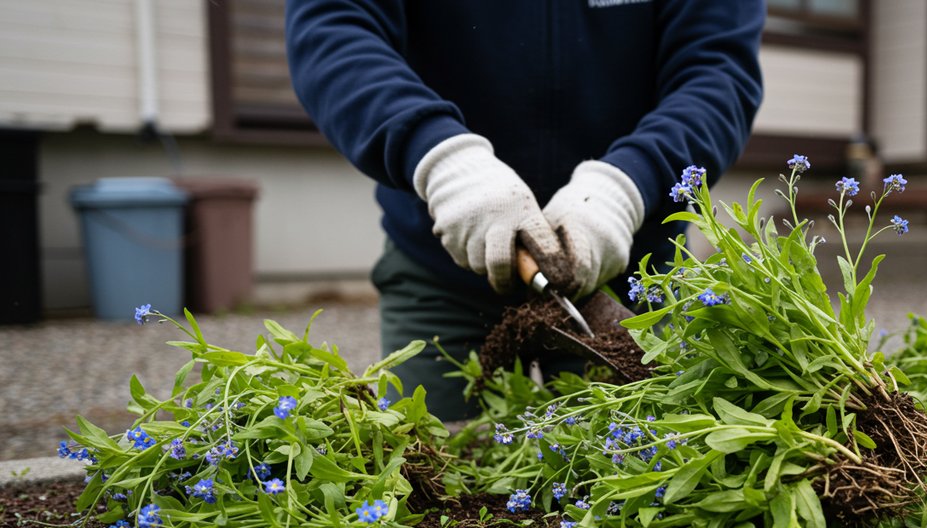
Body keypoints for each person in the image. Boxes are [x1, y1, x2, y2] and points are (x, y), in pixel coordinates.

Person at [286, 1, 764, 420]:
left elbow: (718, 70)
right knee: (432, 478)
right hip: (443, 271)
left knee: (636, 480)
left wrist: (630, 182)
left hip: (626, 273)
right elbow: (335, 26)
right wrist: (439, 155)